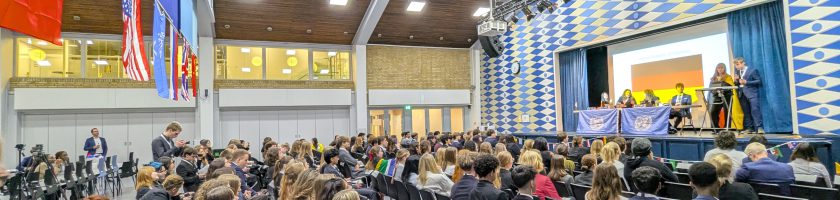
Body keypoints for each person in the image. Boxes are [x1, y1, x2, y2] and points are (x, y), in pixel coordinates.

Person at [733, 57, 763, 133]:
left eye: (738, 64)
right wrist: (736, 81)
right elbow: (739, 83)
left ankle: (759, 127)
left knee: (755, 110)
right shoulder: (737, 72)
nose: (737, 66)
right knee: (746, 111)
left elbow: (759, 81)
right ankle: (749, 128)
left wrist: (747, 82)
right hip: (742, 93)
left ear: (743, 63)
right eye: (736, 65)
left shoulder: (752, 70)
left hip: (752, 93)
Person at [710, 63, 735, 129]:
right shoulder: (713, 78)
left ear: (724, 69)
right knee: (713, 112)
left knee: (727, 113)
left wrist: (722, 88)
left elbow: (730, 87)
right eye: (718, 68)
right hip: (717, 97)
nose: (720, 69)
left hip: (727, 96)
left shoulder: (728, 77)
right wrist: (715, 91)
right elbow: (711, 89)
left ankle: (727, 128)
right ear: (716, 69)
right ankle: (715, 128)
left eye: (721, 68)